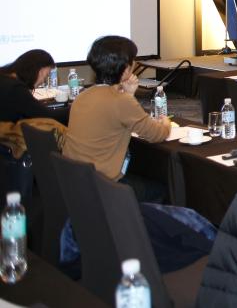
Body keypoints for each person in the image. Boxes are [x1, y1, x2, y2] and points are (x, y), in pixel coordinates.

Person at [63, 36, 171, 201]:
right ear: (126, 69)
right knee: (163, 190)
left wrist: (128, 94)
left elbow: (112, 117)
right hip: (102, 185)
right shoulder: (120, 101)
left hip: (75, 180)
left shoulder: (83, 96)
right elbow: (157, 134)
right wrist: (166, 123)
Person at [0, 49, 59, 122]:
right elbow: (46, 116)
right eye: (46, 75)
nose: (43, 81)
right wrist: (72, 110)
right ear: (40, 70)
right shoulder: (15, 89)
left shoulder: (4, 78)